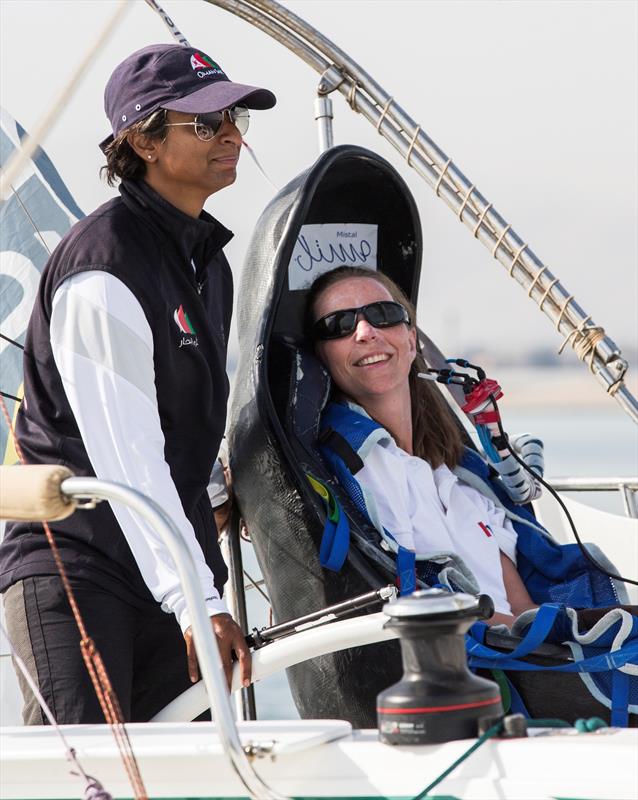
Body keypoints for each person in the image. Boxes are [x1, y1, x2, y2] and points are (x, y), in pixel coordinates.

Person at [0, 43, 276, 724]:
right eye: (206, 124)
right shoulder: (104, 268)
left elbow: (175, 426)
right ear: (143, 142)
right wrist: (199, 602)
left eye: (235, 117)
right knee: (87, 776)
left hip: (164, 562)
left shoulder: (206, 261)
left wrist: (220, 491)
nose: (232, 135)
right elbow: (125, 451)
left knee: (193, 776)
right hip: (78, 568)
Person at [306, 266, 633, 627]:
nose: (365, 332)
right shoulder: (356, 473)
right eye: (339, 325)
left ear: (412, 340)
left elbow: (523, 613)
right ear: (321, 357)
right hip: (462, 670)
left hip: (531, 670)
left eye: (383, 315)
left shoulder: (464, 477)